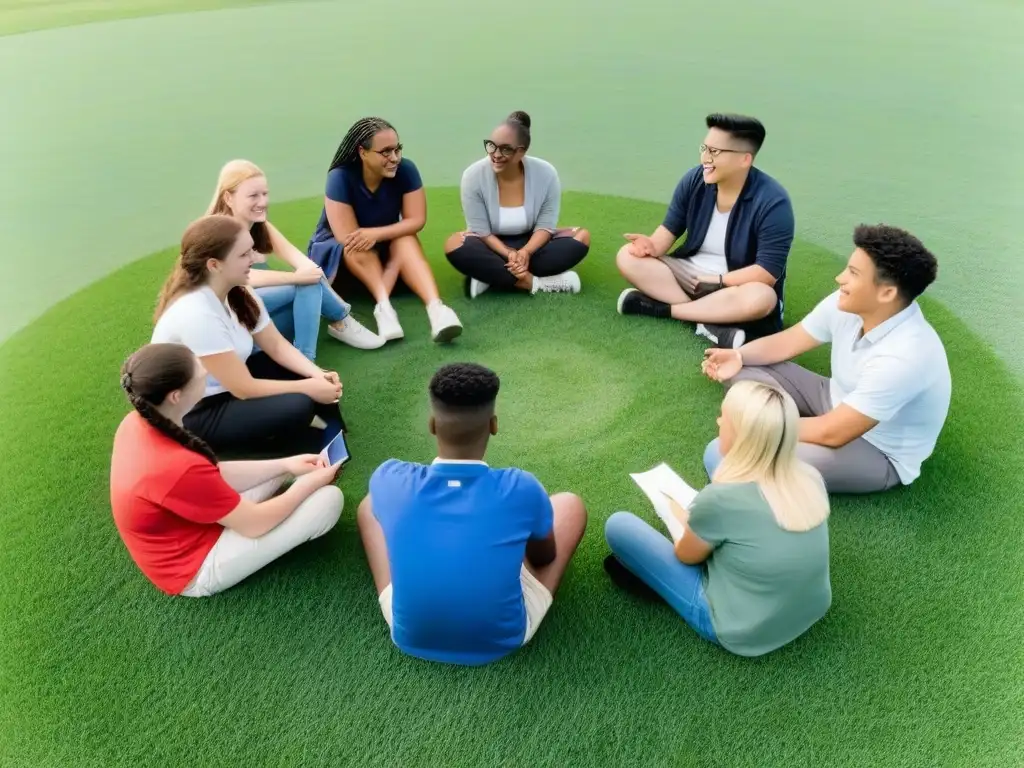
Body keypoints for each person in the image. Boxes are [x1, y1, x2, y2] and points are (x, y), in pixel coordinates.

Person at [356, 362, 587, 666]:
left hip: (410, 635)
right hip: (505, 637)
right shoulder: (521, 487)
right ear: (493, 424)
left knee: (368, 505)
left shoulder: (389, 478)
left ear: (432, 424)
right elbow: (544, 557)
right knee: (569, 505)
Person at [701, 224, 951, 494]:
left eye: (853, 273)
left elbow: (832, 432)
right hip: (832, 397)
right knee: (740, 370)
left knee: (737, 452)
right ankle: (778, 421)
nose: (839, 278)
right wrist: (739, 355)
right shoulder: (849, 302)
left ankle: (772, 433)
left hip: (876, 449)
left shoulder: (905, 357)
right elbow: (789, 341)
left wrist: (758, 427)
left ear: (887, 293)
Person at [604, 380, 832, 657]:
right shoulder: (811, 477)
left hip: (740, 629)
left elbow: (687, 555)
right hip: (813, 605)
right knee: (714, 449)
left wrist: (681, 511)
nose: (718, 420)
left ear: (742, 436)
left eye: (725, 417)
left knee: (618, 526)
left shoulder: (719, 501)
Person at [110, 342, 344, 597]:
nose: (207, 372)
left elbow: (211, 474)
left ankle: (290, 474)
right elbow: (253, 524)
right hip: (195, 567)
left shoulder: (137, 421)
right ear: (175, 396)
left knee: (288, 466)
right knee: (329, 501)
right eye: (200, 372)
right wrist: (310, 484)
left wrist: (286, 465)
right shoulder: (175, 467)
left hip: (195, 518)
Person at [152, 214, 345, 458]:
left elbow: (275, 345)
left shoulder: (239, 291)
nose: (253, 260)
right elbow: (243, 388)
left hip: (229, 387)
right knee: (300, 403)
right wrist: (308, 388)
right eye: (243, 255)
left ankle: (324, 437)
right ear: (214, 265)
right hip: (196, 412)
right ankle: (264, 451)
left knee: (306, 376)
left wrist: (318, 374)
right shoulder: (196, 313)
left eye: (251, 251)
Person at [615, 113, 795, 349]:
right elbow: (667, 232)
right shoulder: (694, 180)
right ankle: (707, 322)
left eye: (715, 152)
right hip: (691, 274)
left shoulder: (773, 202)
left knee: (763, 297)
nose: (704, 158)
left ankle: (664, 310)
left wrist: (719, 281)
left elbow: (766, 273)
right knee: (627, 256)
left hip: (734, 285)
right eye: (704, 148)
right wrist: (651, 246)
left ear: (744, 159)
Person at [307, 117, 463, 344]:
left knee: (406, 238)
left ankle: (437, 309)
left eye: (397, 149)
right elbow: (346, 238)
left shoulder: (406, 170)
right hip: (342, 256)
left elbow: (416, 220)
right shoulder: (339, 177)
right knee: (357, 243)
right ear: (363, 152)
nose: (395, 158)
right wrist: (372, 236)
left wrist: (376, 234)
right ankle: (384, 308)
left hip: (381, 245)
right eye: (386, 152)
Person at [207, 159, 383, 355]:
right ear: (228, 198)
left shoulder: (259, 226)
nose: (263, 202)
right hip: (235, 323)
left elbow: (302, 262)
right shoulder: (216, 234)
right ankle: (334, 329)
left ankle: (338, 322)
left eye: (265, 194)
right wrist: (296, 278)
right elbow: (242, 279)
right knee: (307, 284)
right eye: (253, 196)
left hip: (263, 316)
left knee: (310, 282)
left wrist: (311, 274)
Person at [444, 111, 590, 299]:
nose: (495, 155)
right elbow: (481, 231)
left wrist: (525, 252)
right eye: (491, 146)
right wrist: (509, 254)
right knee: (454, 244)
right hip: (490, 245)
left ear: (521, 151)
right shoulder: (473, 176)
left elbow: (546, 226)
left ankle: (490, 277)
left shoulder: (546, 173)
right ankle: (536, 283)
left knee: (582, 237)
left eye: (505, 149)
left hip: (532, 245)